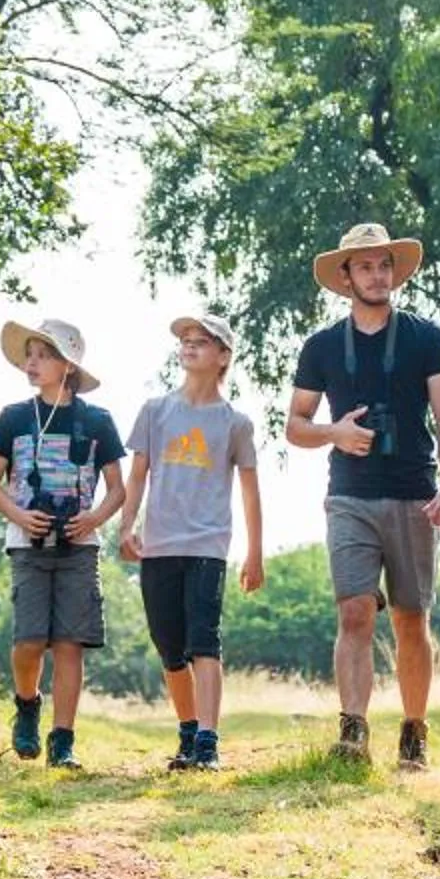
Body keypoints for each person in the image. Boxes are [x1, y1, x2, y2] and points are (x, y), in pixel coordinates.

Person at [287, 223, 440, 770]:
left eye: (384, 264)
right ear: (345, 278)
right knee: (355, 611)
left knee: (411, 618)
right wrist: (334, 433)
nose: (376, 274)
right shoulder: (320, 347)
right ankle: (353, 731)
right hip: (349, 496)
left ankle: (414, 731)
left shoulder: (427, 337)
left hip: (414, 493)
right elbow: (295, 425)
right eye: (364, 266)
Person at [114, 313, 265, 772]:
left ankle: (208, 741)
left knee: (204, 639)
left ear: (223, 356)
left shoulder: (235, 422)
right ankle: (187, 729)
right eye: (185, 340)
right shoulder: (155, 411)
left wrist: (254, 552)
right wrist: (125, 526)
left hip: (207, 545)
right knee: (169, 644)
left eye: (202, 341)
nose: (190, 346)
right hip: (159, 545)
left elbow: (250, 489)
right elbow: (137, 476)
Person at [0, 317, 125, 769]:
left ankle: (63, 741)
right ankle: (27, 705)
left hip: (80, 548)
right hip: (27, 545)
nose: (32, 363)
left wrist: (94, 518)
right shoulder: (14, 418)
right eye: (30, 355)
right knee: (28, 640)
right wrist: (20, 516)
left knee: (68, 644)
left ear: (68, 366)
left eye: (44, 355)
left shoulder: (97, 421)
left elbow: (118, 489)